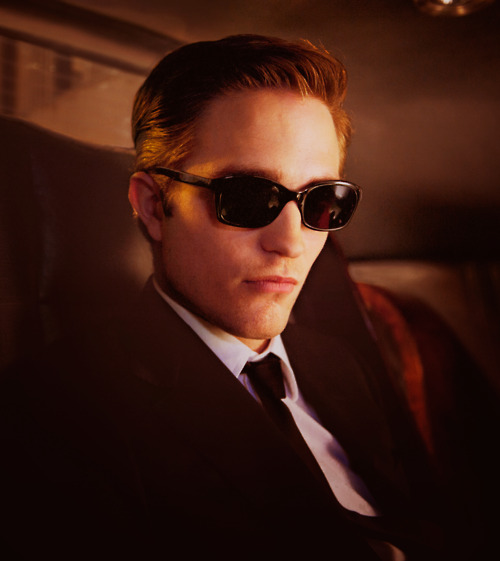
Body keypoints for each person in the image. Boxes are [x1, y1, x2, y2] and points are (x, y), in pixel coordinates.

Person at [0, 34, 486, 561]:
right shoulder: (55, 417)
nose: (291, 243)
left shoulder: (341, 365)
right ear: (154, 206)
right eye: (249, 196)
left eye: (322, 200)